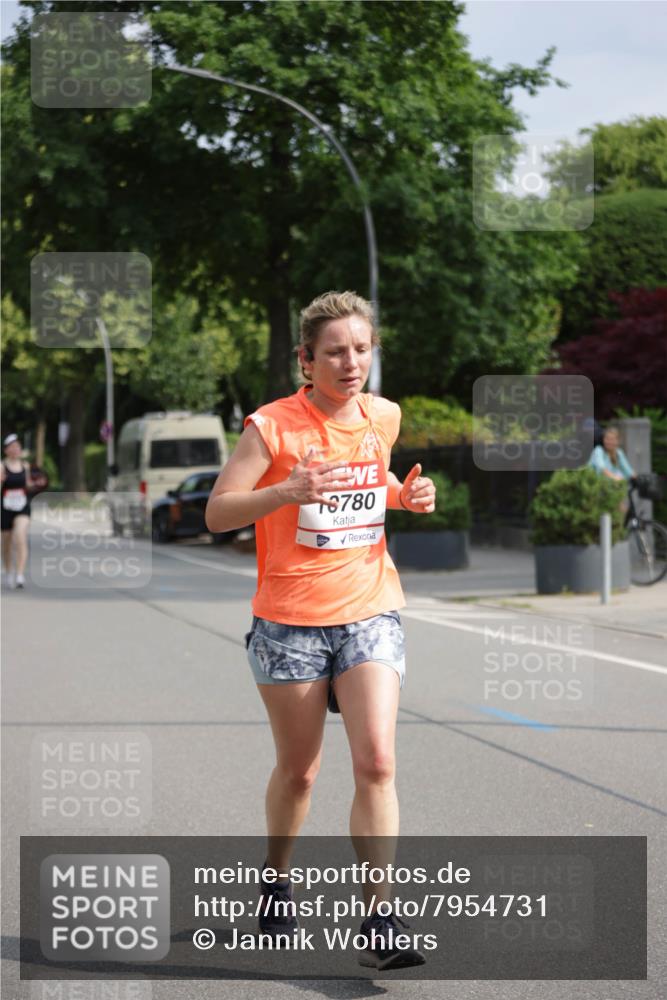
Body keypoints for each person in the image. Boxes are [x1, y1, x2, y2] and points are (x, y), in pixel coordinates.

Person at [205, 291, 436, 970]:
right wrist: (282, 492)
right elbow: (218, 510)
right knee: (300, 773)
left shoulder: (382, 416)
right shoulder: (271, 427)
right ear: (306, 360)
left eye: (361, 349)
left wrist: (405, 495)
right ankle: (277, 878)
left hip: (368, 606)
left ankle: (378, 919)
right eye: (334, 351)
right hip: (289, 624)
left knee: (377, 762)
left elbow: (374, 482)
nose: (351, 361)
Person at [1, 433, 35, 589]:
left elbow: (28, 486)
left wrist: (34, 485)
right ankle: (9, 571)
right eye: (12, 447)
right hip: (6, 507)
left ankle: (20, 574)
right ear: (6, 450)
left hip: (22, 506)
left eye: (17, 447)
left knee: (20, 535)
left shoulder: (25, 466)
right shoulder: (2, 466)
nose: (15, 450)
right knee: (6, 543)